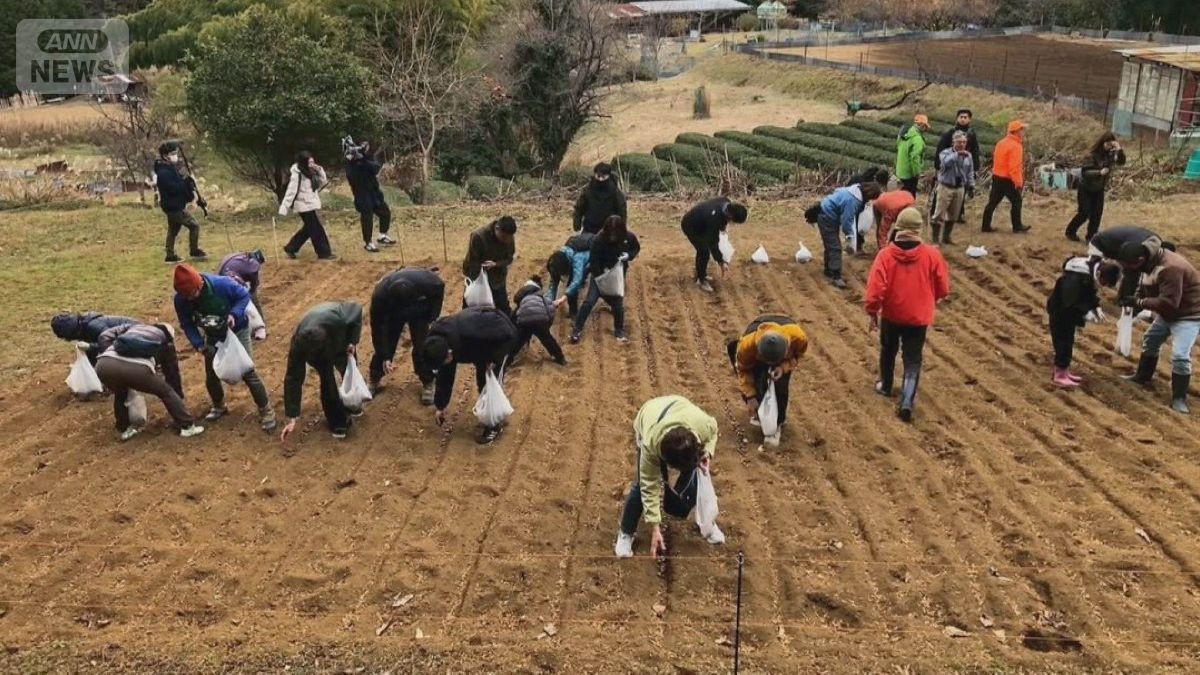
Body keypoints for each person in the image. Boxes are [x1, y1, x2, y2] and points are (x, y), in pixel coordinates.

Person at [865, 207, 950, 422]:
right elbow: (943, 288)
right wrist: (931, 299)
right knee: (912, 359)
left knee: (888, 350)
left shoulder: (885, 255)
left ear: (899, 228)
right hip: (918, 317)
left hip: (892, 315)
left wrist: (872, 312)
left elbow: (875, 289)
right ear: (919, 230)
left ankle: (885, 386)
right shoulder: (932, 255)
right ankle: (906, 401)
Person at [614, 395, 721, 559]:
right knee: (640, 487)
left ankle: (707, 523)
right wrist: (655, 527)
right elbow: (648, 486)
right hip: (648, 416)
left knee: (697, 474)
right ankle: (626, 533)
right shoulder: (650, 446)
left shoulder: (701, 424)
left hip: (680, 409)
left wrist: (706, 453)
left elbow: (713, 430)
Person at [172, 264, 276, 431]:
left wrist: (234, 314)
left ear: (199, 285)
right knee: (211, 372)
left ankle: (266, 410)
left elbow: (244, 296)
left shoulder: (223, 284)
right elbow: (186, 323)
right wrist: (198, 344)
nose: (190, 298)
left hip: (238, 330)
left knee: (247, 371)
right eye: (186, 295)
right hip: (212, 334)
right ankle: (219, 405)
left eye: (192, 294)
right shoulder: (181, 299)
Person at [1118, 239, 1200, 414]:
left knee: (1180, 356)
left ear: (1140, 260)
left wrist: (1140, 302)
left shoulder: (1170, 268)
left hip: (1188, 315)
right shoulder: (1148, 263)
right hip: (1168, 313)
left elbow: (1170, 303)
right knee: (1151, 340)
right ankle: (1143, 376)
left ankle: (1179, 398)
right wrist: (1136, 299)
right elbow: (1145, 284)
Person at [421, 307, 520, 444]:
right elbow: (445, 375)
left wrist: (495, 359)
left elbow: (508, 334)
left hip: (501, 338)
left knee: (488, 383)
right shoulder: (436, 342)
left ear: (449, 352)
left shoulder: (470, 335)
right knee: (482, 377)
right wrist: (440, 406)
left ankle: (494, 424)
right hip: (478, 345)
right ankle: (490, 416)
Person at [92, 322, 203, 441]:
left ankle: (124, 429)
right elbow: (171, 374)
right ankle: (187, 426)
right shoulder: (165, 342)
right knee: (166, 392)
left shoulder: (134, 327)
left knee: (121, 392)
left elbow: (105, 335)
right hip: (137, 369)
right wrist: (177, 396)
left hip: (103, 364)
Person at [280, 302, 364, 440]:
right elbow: (293, 377)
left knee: (348, 369)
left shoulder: (339, 320)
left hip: (339, 341)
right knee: (327, 380)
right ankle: (337, 422)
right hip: (321, 351)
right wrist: (292, 416)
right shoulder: (298, 345)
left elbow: (356, 309)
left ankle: (354, 403)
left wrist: (352, 341)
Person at [726, 315, 808, 447]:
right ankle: (759, 410)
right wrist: (750, 396)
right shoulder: (747, 346)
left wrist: (782, 367)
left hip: (784, 343)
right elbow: (743, 370)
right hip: (753, 348)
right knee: (756, 379)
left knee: (780, 384)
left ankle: (777, 424)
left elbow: (797, 356)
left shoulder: (798, 338)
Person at [368, 266, 445, 402]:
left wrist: (433, 316)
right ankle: (375, 377)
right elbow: (378, 330)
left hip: (419, 310)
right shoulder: (380, 296)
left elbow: (439, 290)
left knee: (422, 344)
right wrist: (385, 355)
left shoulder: (429, 282)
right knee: (387, 343)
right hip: (393, 313)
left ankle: (428, 381)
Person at [571, 215, 641, 344]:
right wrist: (601, 275)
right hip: (600, 276)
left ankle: (619, 330)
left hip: (616, 276)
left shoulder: (628, 237)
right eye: (611, 232)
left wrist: (628, 256)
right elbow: (594, 261)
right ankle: (577, 330)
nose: (613, 236)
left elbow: (636, 248)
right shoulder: (598, 240)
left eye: (616, 233)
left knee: (617, 304)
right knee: (589, 302)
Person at [1046, 257, 1102, 388]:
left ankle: (1064, 371)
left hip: (1067, 316)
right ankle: (1059, 375)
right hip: (1060, 314)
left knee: (1068, 342)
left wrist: (1096, 306)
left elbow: (1089, 294)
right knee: (1062, 343)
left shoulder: (1086, 276)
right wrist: (1085, 312)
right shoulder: (1074, 280)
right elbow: (1070, 301)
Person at [815, 182, 883, 289]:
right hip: (827, 216)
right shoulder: (852, 201)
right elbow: (847, 221)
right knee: (835, 247)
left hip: (825, 211)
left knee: (830, 244)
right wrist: (850, 237)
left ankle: (828, 270)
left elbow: (837, 191)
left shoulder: (853, 189)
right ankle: (835, 275)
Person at [1087, 225, 1175, 302]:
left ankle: (1124, 299)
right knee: (1091, 272)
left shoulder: (1152, 245)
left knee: (1133, 271)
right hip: (1099, 245)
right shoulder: (1136, 248)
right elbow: (1132, 272)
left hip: (1117, 246)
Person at [1065, 132, 1127, 242]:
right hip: (1086, 187)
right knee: (1084, 213)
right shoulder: (1092, 155)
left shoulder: (1111, 155)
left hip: (1099, 188)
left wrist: (1119, 149)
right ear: (1102, 143)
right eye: (1107, 144)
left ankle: (1091, 236)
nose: (1108, 147)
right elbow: (1084, 172)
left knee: (1096, 215)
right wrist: (1099, 173)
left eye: (1111, 145)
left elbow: (1121, 162)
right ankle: (1070, 231)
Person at [680, 197, 749, 293]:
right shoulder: (713, 219)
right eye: (733, 221)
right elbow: (713, 243)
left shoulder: (726, 201)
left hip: (702, 222)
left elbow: (721, 220)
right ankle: (701, 279)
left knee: (703, 249)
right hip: (690, 226)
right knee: (704, 252)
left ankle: (700, 272)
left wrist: (722, 225)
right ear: (730, 216)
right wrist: (721, 261)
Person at [153, 141, 206, 263]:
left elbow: (180, 183)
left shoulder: (169, 169)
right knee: (194, 226)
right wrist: (186, 182)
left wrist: (188, 181)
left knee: (173, 229)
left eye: (176, 153)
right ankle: (194, 251)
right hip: (174, 207)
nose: (175, 156)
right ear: (165, 155)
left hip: (172, 205)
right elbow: (174, 189)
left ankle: (170, 255)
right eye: (172, 153)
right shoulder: (163, 173)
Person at [279, 150, 335, 260]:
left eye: (313, 162)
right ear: (303, 163)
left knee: (309, 229)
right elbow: (291, 192)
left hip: (311, 203)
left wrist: (319, 169)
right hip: (303, 206)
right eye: (310, 162)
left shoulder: (312, 172)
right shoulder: (297, 174)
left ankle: (291, 248)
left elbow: (323, 181)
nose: (312, 164)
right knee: (316, 229)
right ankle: (324, 253)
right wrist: (284, 207)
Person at [931, 109, 981, 223]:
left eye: (965, 117)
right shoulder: (950, 132)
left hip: (963, 166)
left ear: (969, 119)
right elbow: (940, 148)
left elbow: (975, 151)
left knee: (960, 190)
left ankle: (958, 214)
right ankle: (935, 212)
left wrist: (975, 168)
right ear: (957, 118)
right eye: (961, 117)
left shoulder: (971, 134)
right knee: (942, 191)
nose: (963, 119)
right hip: (948, 165)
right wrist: (938, 166)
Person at [345, 140, 395, 253]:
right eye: (362, 145)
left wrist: (363, 159)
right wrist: (353, 160)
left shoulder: (368, 158)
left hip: (374, 192)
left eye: (365, 146)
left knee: (385, 212)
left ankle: (382, 235)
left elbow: (375, 169)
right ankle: (368, 243)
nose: (364, 148)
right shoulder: (350, 161)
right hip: (361, 194)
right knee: (367, 218)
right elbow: (351, 177)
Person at [981, 120, 1031, 234]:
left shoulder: (1001, 142)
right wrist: (1018, 182)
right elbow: (1014, 167)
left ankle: (985, 226)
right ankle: (1017, 226)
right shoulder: (1016, 146)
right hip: (1008, 179)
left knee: (992, 202)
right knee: (1017, 201)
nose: (1023, 132)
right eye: (1022, 129)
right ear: (1017, 131)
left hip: (997, 176)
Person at [463, 216, 518, 315]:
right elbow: (472, 262)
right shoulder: (479, 236)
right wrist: (478, 283)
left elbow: (509, 258)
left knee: (503, 309)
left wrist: (496, 264)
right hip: (477, 277)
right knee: (471, 306)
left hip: (497, 278)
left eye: (509, 238)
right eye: (504, 237)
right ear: (497, 229)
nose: (506, 241)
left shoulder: (509, 237)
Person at [932, 131, 976, 246]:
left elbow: (970, 172)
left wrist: (971, 186)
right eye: (959, 142)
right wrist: (957, 155)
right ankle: (935, 239)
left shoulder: (968, 156)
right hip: (945, 186)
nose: (962, 144)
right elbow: (945, 164)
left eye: (964, 142)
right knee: (939, 214)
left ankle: (946, 237)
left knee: (953, 214)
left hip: (959, 187)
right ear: (953, 142)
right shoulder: (945, 153)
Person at [512, 275, 567, 365]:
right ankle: (560, 358)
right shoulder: (540, 295)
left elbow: (515, 313)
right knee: (548, 339)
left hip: (525, 320)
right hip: (539, 320)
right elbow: (549, 307)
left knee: (518, 341)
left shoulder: (521, 296)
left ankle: (507, 360)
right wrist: (548, 322)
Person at [51, 312, 136, 364]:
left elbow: (112, 344)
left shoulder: (93, 326)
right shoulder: (83, 328)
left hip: (136, 335)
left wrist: (90, 347)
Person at [546, 232, 594, 317]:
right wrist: (548, 304)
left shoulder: (577, 258)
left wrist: (563, 297)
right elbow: (553, 284)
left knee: (573, 287)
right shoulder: (557, 259)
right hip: (574, 260)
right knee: (571, 287)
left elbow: (576, 280)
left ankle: (574, 314)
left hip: (592, 260)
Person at [573, 162, 627, 234]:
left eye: (603, 177)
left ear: (608, 176)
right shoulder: (587, 190)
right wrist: (577, 227)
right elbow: (578, 208)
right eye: (598, 176)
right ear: (595, 175)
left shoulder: (615, 192)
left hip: (609, 231)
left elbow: (622, 211)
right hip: (589, 229)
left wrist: (621, 229)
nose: (601, 179)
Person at [895, 114, 931, 197]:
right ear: (922, 125)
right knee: (909, 197)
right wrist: (917, 173)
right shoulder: (917, 138)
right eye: (925, 126)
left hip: (900, 171)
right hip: (909, 174)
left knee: (901, 196)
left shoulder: (905, 134)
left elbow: (898, 146)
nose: (926, 129)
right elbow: (915, 157)